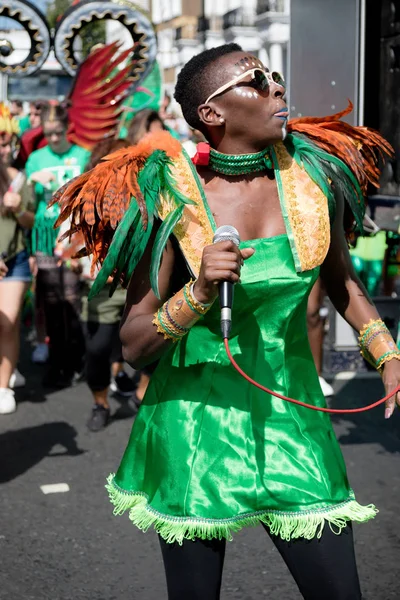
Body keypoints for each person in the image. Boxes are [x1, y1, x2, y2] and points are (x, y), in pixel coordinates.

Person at [55, 44, 400, 599]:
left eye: (276, 77)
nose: (277, 89)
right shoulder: (168, 197)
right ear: (212, 114)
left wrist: (387, 351)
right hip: (194, 427)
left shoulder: (311, 179)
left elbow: (341, 283)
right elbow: (136, 342)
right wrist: (198, 292)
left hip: (291, 417)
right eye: (257, 81)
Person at [26, 104, 90, 387]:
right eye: (48, 133)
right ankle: (56, 362)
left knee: (73, 299)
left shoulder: (82, 155)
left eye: (58, 132)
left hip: (75, 236)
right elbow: (24, 203)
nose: (53, 138)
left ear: (67, 129)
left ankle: (76, 359)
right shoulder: (36, 158)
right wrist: (30, 180)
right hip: (44, 235)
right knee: (51, 300)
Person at [80, 138, 137, 431]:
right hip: (102, 287)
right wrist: (85, 264)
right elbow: (73, 240)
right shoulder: (88, 197)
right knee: (98, 348)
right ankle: (100, 401)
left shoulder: (145, 195)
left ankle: (142, 390)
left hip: (139, 285)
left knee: (155, 343)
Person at [0, 104, 35, 413]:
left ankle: (3, 385)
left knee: (9, 323)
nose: (1, 146)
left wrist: (16, 209)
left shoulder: (19, 179)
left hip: (13, 258)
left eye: (3, 139)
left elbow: (31, 221)